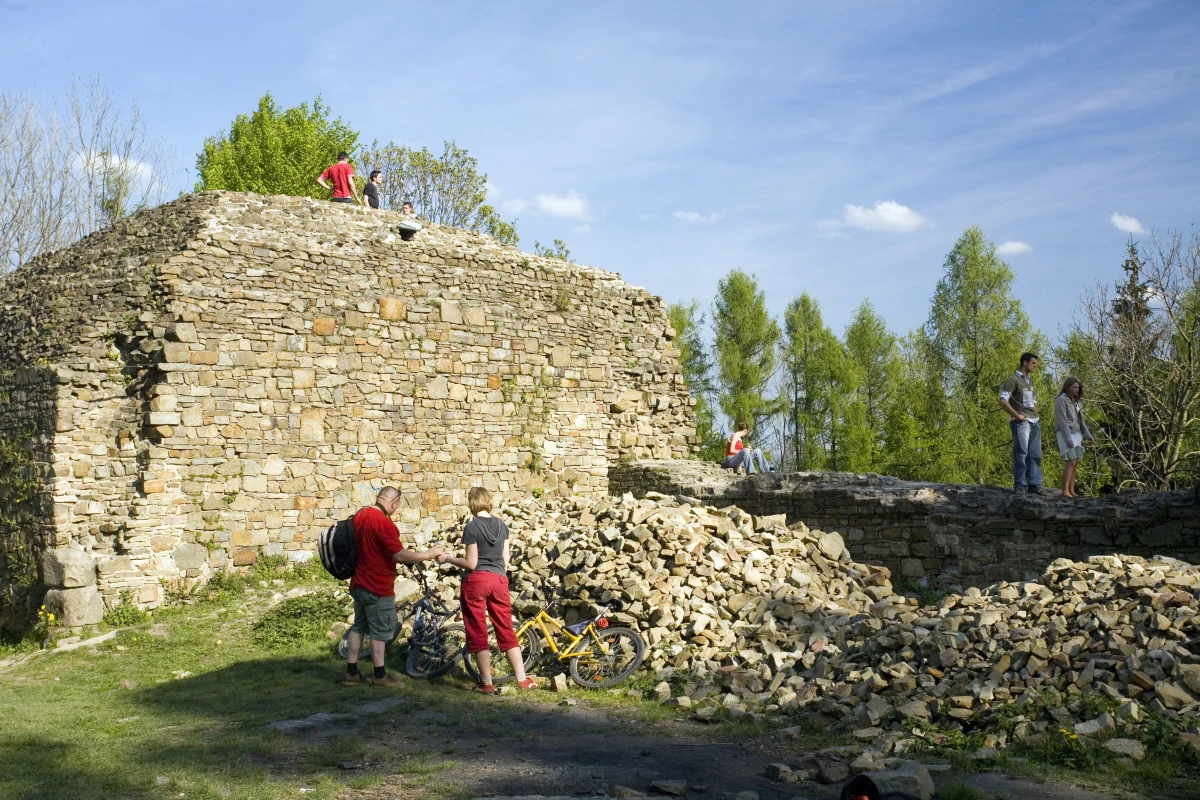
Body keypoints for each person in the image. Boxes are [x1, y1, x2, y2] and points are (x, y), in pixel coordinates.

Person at [438, 487, 538, 694]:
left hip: (477, 581)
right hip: (499, 580)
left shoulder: (472, 527)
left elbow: (471, 563)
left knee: (477, 630)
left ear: (472, 503)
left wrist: (448, 558)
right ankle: (522, 679)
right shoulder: (502, 525)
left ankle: (486, 683)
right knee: (506, 627)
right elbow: (506, 560)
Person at [342, 487, 443, 688]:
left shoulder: (361, 515)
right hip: (377, 585)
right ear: (394, 502)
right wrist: (427, 554)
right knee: (380, 632)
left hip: (358, 582)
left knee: (359, 627)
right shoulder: (383, 523)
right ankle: (380, 676)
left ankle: (351, 673)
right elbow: (399, 555)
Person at [999, 352, 1043, 494]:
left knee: (1035, 454)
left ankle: (1034, 484)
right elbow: (1002, 400)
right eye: (1033, 363)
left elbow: (1033, 401)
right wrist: (1016, 415)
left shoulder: (1030, 381)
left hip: (1034, 421)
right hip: (1022, 422)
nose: (1035, 366)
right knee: (1021, 453)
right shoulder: (1013, 380)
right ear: (1025, 363)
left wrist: (1035, 413)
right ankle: (1020, 485)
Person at [1054, 377, 1093, 498]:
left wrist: (1088, 435)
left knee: (1075, 462)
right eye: (1074, 387)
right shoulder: (1061, 400)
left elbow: (1081, 421)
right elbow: (1062, 421)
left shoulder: (1076, 402)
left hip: (1077, 434)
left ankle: (1071, 490)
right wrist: (1068, 439)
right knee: (1071, 461)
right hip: (1066, 433)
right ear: (1067, 387)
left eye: (1078, 387)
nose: (1077, 389)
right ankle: (1064, 490)